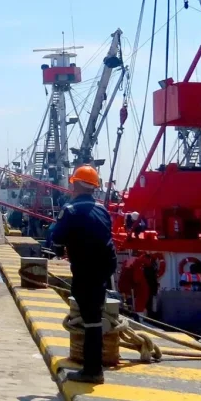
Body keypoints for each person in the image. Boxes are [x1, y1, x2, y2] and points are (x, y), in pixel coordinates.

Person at [49, 164, 117, 384]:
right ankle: (93, 367)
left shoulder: (70, 211)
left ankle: (92, 371)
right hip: (105, 268)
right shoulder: (103, 209)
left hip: (86, 269)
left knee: (90, 321)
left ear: (76, 184)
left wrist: (61, 248)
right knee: (94, 317)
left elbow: (57, 240)